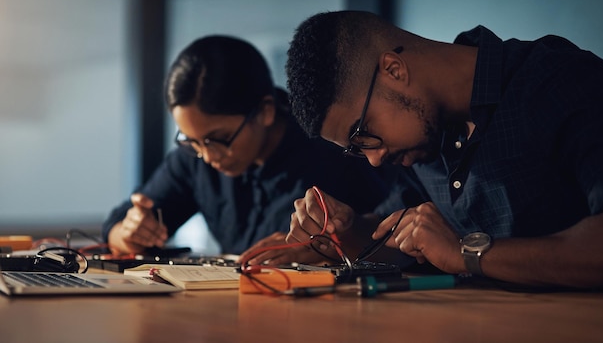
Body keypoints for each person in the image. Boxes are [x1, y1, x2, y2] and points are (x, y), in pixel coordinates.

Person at [284, 10, 603, 289]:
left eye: (363, 133)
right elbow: (405, 241)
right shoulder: (423, 139)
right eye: (356, 149)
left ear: (393, 70)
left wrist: (468, 254)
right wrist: (344, 231)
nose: (374, 159)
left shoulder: (561, 82)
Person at [102, 35, 395, 258]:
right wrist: (128, 233)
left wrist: (333, 249)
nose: (207, 156)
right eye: (192, 142)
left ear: (265, 111)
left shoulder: (332, 148)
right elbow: (120, 220)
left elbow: (391, 238)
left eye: (219, 139)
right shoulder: (195, 157)